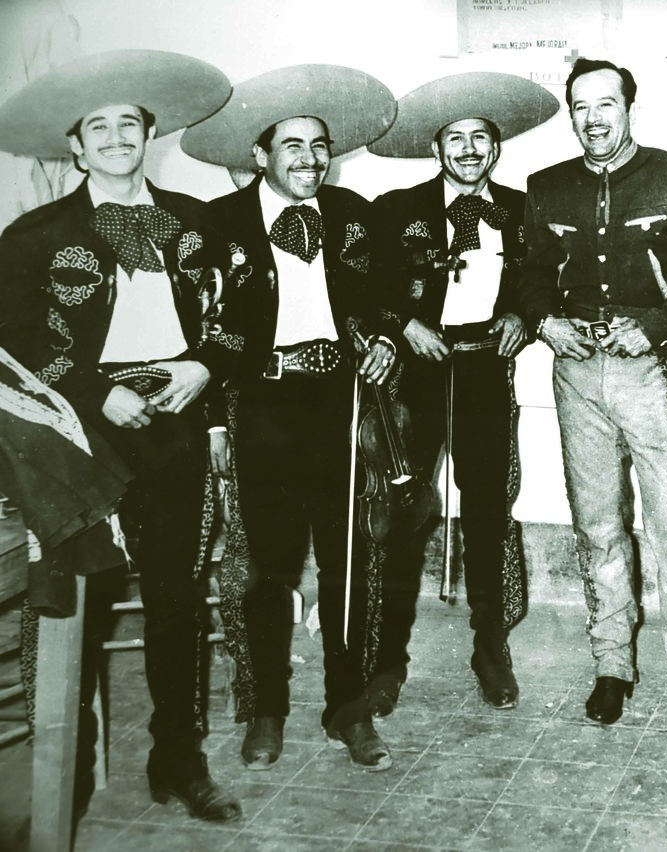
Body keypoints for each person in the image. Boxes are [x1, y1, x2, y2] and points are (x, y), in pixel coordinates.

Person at [0, 50, 242, 821]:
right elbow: (13, 342)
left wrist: (203, 367)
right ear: (75, 146)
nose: (114, 137)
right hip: (82, 432)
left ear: (149, 134)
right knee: (77, 600)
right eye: (96, 127)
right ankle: (62, 775)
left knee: (177, 597)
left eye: (127, 124)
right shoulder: (34, 234)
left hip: (176, 419)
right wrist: (96, 392)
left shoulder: (196, 222)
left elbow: (239, 319)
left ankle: (179, 759)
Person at [180, 64, 402, 772]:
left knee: (351, 562)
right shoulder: (220, 225)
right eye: (294, 146)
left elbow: (388, 295)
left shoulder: (354, 215)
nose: (310, 159)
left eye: (319, 145)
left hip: (340, 401)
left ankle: (348, 709)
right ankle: (267, 708)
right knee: (266, 570)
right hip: (263, 407)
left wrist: (388, 340)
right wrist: (214, 421)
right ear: (260, 155)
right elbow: (199, 329)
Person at [518, 57, 667, 752]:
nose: (593, 118)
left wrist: (657, 324)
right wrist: (543, 321)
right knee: (597, 527)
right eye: (581, 106)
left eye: (606, 103)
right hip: (578, 375)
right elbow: (525, 272)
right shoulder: (546, 187)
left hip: (656, 371)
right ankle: (612, 664)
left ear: (628, 106)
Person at [365, 73, 559, 711]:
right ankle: (386, 659)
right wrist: (403, 323)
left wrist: (522, 319)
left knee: (485, 513)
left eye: (481, 138)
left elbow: (539, 283)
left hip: (483, 372)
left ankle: (490, 648)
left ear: (496, 149)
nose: (469, 149)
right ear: (436, 149)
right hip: (415, 373)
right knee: (403, 513)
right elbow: (369, 286)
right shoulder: (396, 208)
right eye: (456, 139)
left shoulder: (523, 209)